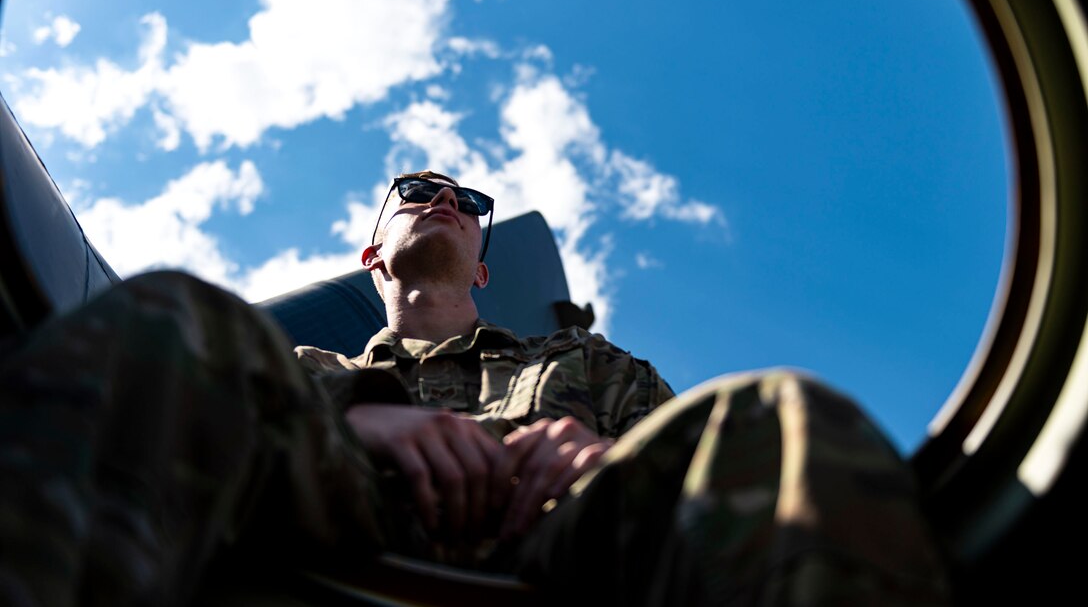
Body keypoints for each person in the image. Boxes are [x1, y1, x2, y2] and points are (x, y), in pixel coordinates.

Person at [0, 170, 950, 606]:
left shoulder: (588, 367)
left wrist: (607, 455)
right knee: (170, 316)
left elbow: (681, 464)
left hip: (560, 542)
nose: (448, 202)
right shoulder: (298, 372)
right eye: (419, 192)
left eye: (467, 204)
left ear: (485, 270)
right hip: (341, 524)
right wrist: (358, 422)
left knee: (772, 416)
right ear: (374, 254)